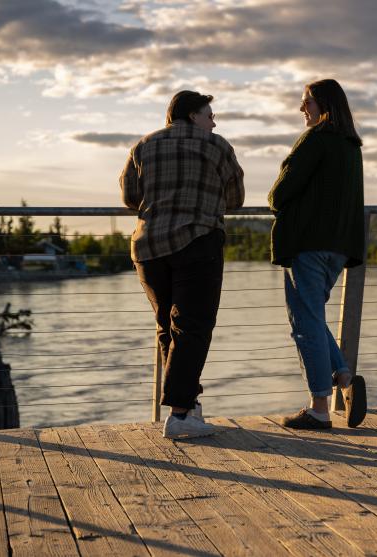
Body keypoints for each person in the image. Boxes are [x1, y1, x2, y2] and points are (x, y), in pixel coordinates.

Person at [121, 90, 245, 439]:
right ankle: (180, 415)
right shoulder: (217, 145)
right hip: (197, 242)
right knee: (192, 328)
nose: (214, 122)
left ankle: (187, 408)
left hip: (149, 248)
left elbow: (130, 196)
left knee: (168, 327)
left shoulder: (143, 146)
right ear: (192, 115)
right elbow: (236, 198)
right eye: (209, 115)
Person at [268, 79, 367, 430]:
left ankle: (319, 408)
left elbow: (279, 195)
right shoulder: (351, 146)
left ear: (322, 104)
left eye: (306, 101)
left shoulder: (315, 139)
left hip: (307, 244)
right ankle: (343, 378)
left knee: (305, 324)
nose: (301, 109)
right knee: (311, 316)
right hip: (339, 247)